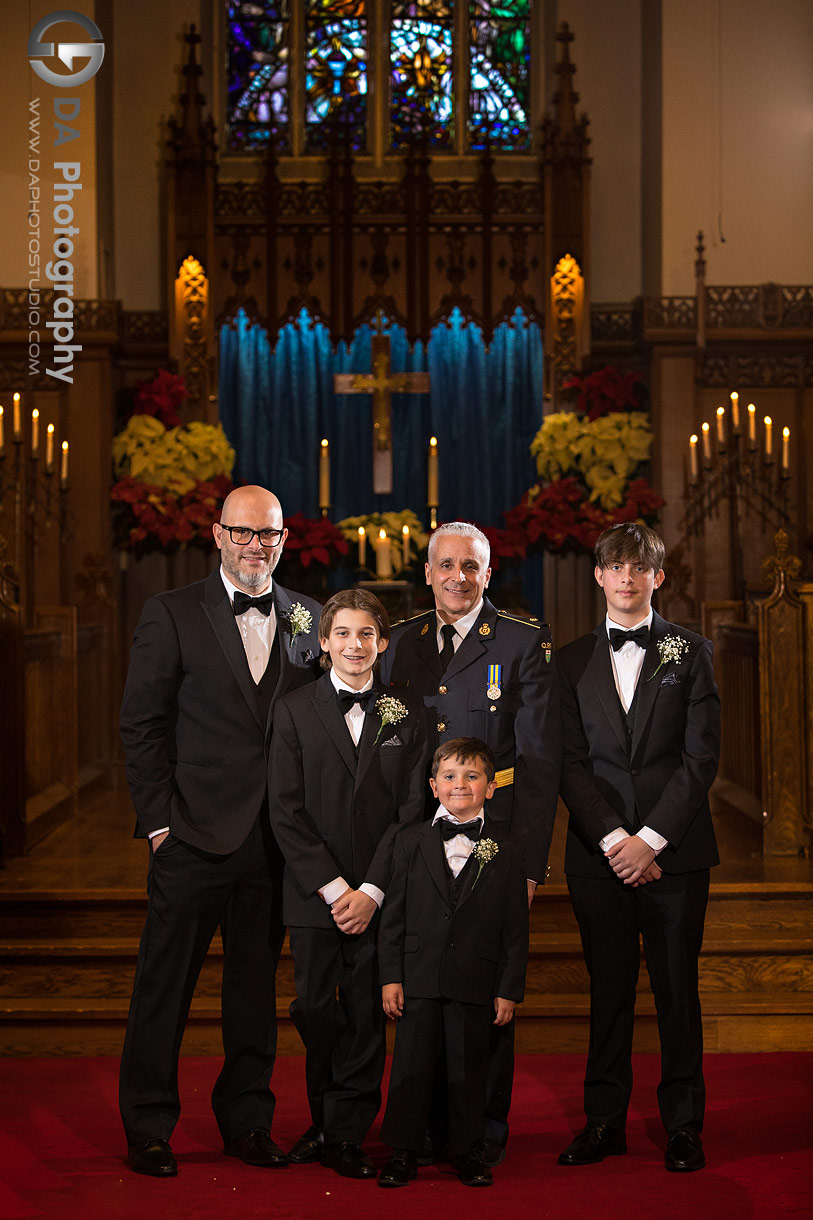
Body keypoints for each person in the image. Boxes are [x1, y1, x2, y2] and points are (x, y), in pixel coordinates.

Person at [118, 485, 322, 1177]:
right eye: (241, 532)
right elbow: (141, 726)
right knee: (163, 987)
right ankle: (148, 1126)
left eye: (267, 534)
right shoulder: (170, 613)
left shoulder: (310, 619)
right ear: (216, 535)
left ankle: (247, 1123)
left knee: (252, 994)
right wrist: (157, 826)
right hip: (191, 837)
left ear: (283, 540)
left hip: (273, 844)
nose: (254, 545)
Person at [380, 520, 560, 1162]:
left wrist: (531, 862)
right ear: (427, 572)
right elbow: (388, 749)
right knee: (425, 987)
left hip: (495, 839)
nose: (459, 577)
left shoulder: (520, 642)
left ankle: (479, 1132)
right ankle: (423, 1129)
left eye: (472, 566)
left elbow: (539, 763)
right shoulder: (397, 644)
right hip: (419, 842)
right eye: (446, 565)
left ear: (489, 573)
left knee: (480, 994)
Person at [555, 522, 720, 1173]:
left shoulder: (691, 651)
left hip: (674, 854)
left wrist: (649, 839)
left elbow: (699, 758)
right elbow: (567, 763)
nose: (625, 579)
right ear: (598, 576)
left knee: (677, 990)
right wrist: (613, 840)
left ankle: (682, 1125)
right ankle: (603, 1122)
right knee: (609, 991)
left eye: (638, 568)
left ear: (657, 576)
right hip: (597, 856)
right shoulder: (566, 661)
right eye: (614, 568)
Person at [268, 589, 428, 1180]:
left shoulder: (407, 715)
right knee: (315, 1008)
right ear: (323, 642)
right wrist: (336, 890)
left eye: (367, 635)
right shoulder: (294, 710)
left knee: (364, 1014)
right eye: (342, 634)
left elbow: (410, 813)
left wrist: (372, 892)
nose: (354, 646)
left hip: (378, 895)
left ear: (382, 644)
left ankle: (348, 1133)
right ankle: (321, 1118)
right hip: (315, 896)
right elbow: (285, 810)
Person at [377, 738, 529, 1189]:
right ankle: (402, 1151)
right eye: (449, 776)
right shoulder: (410, 841)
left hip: (476, 978)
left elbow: (515, 926)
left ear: (491, 787)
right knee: (411, 1066)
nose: (460, 784)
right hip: (419, 975)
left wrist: (508, 986)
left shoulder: (508, 845)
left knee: (468, 1070)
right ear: (433, 785)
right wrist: (391, 977)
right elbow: (394, 918)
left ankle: (469, 1152)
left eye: (472, 776)